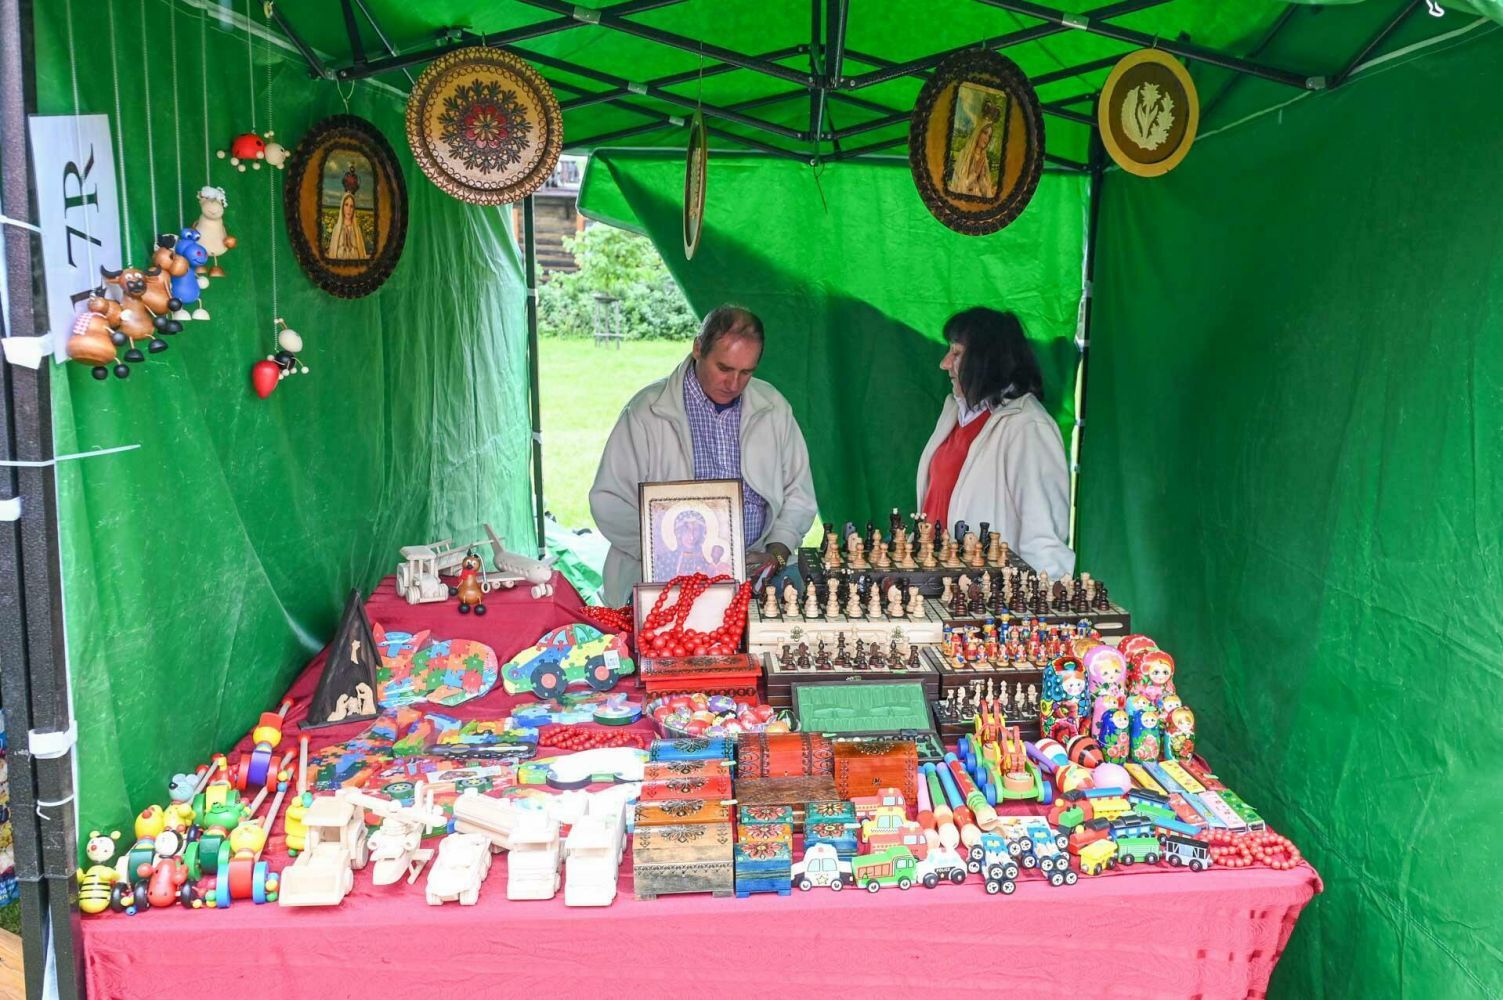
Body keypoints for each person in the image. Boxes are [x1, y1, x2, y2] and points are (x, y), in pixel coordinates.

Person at [590, 305, 819, 606]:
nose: (733, 384)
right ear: (698, 348)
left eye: (746, 372)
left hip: (755, 570)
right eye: (724, 368)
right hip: (665, 575)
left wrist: (777, 552)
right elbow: (609, 501)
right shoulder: (647, 412)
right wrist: (667, 555)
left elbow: (799, 495)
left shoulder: (773, 407)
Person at [915, 307, 1074, 577]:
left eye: (956, 353)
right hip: (934, 581)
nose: (944, 363)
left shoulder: (1028, 427)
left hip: (983, 593)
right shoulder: (954, 411)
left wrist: (1043, 596)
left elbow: (1044, 538)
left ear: (986, 360)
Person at [327, 193, 368, 260]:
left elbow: (362, 255)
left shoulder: (357, 229)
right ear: (342, 207)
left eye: (351, 206)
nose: (349, 209)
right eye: (346, 205)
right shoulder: (336, 229)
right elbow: (332, 254)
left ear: (354, 209)